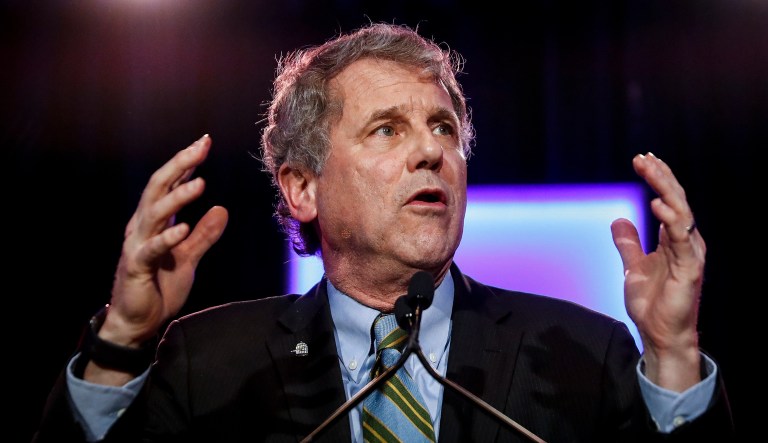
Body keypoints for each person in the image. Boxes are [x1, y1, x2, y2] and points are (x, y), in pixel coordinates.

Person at [32, 22, 734, 443]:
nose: (431, 152)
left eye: (444, 129)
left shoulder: (586, 354)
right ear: (302, 187)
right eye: (387, 129)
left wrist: (673, 355)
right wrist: (120, 342)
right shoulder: (207, 363)